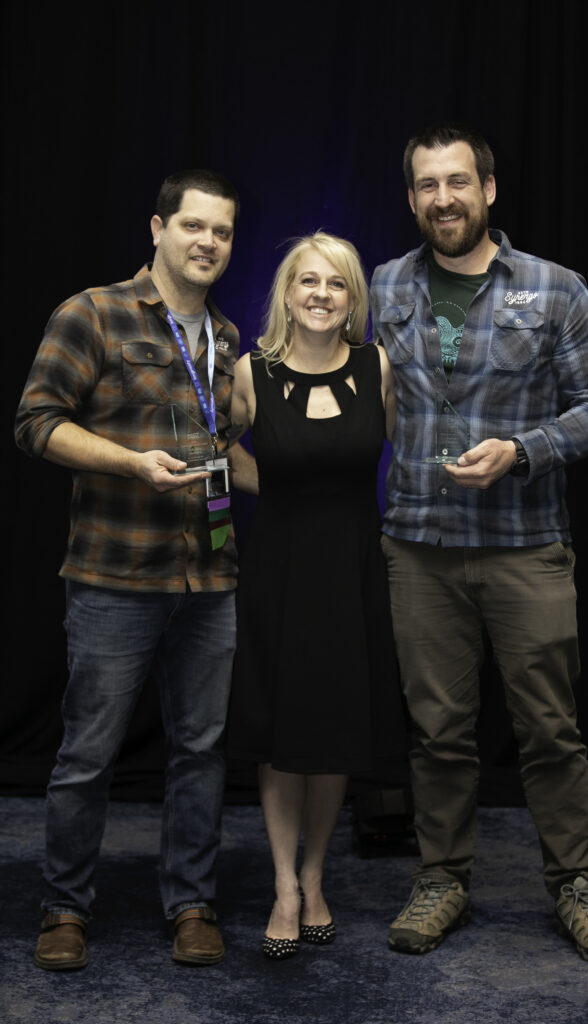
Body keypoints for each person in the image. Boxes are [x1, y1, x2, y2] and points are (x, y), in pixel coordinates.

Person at [370, 124, 588, 966]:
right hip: (418, 547)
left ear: (487, 189)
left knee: (549, 729)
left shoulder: (554, 290)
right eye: (425, 186)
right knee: (437, 732)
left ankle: (577, 887)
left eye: (457, 182)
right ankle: (441, 877)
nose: (442, 199)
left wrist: (523, 451)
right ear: (411, 199)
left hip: (525, 546)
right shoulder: (380, 287)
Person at [15, 169, 258, 971]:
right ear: (157, 230)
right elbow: (36, 423)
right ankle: (64, 909)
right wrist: (127, 464)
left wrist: (315, 472)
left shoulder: (226, 339)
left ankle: (191, 903)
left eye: (220, 232)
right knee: (88, 751)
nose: (207, 243)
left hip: (210, 578)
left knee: (201, 750)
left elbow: (228, 455)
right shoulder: (93, 312)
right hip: (115, 576)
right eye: (193, 227)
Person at [226, 232, 406, 959]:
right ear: (287, 293)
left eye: (336, 284)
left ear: (352, 297)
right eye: (308, 282)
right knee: (279, 730)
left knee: (332, 727)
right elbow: (218, 448)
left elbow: (388, 450)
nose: (321, 295)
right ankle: (283, 885)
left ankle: (316, 873)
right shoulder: (252, 372)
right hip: (277, 569)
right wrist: (283, 490)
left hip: (352, 568)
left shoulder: (377, 366)